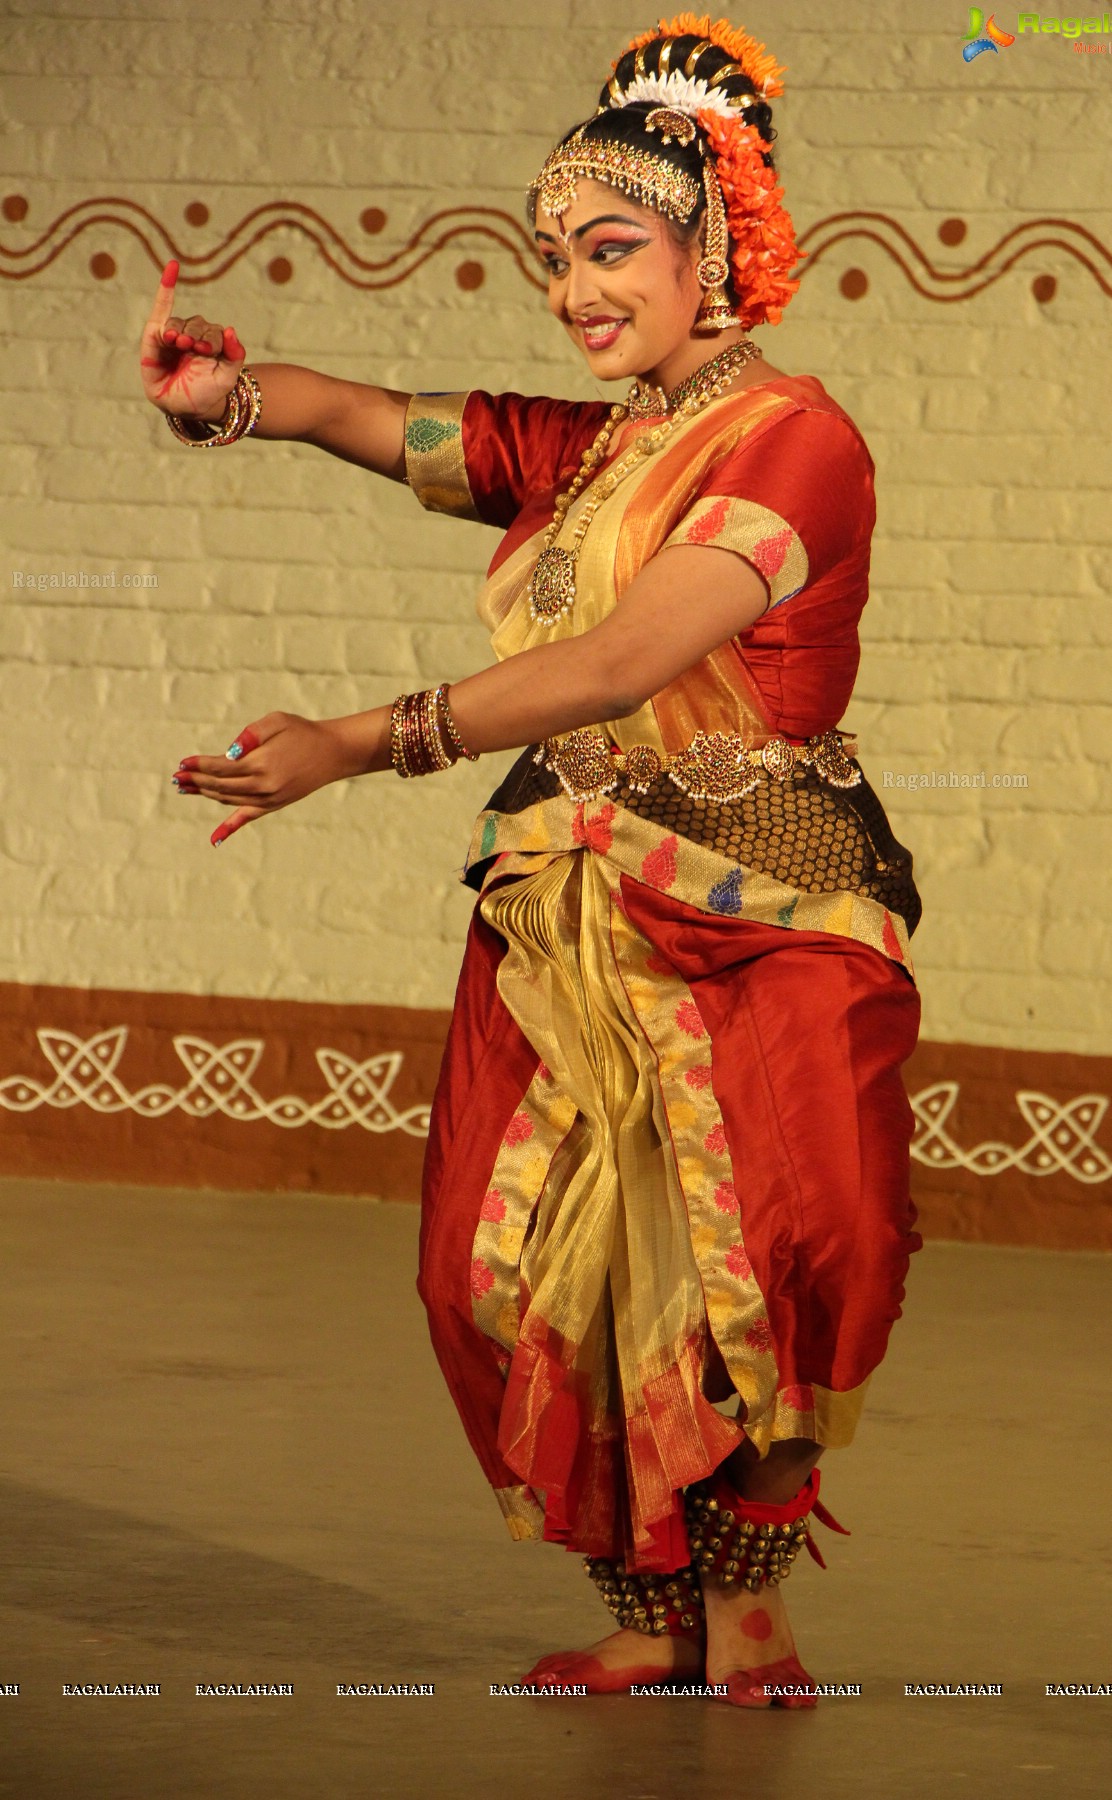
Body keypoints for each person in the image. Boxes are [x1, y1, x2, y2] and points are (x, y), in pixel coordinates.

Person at [140, 14, 923, 1709]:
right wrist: (238, 396)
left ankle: (752, 1598)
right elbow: (403, 424)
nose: (573, 289)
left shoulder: (798, 440)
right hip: (559, 910)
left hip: (763, 903)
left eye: (610, 248)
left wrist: (359, 740)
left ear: (716, 249)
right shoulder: (591, 455)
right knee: (498, 1264)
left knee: (789, 1250)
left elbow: (624, 661)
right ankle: (645, 1600)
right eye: (553, 257)